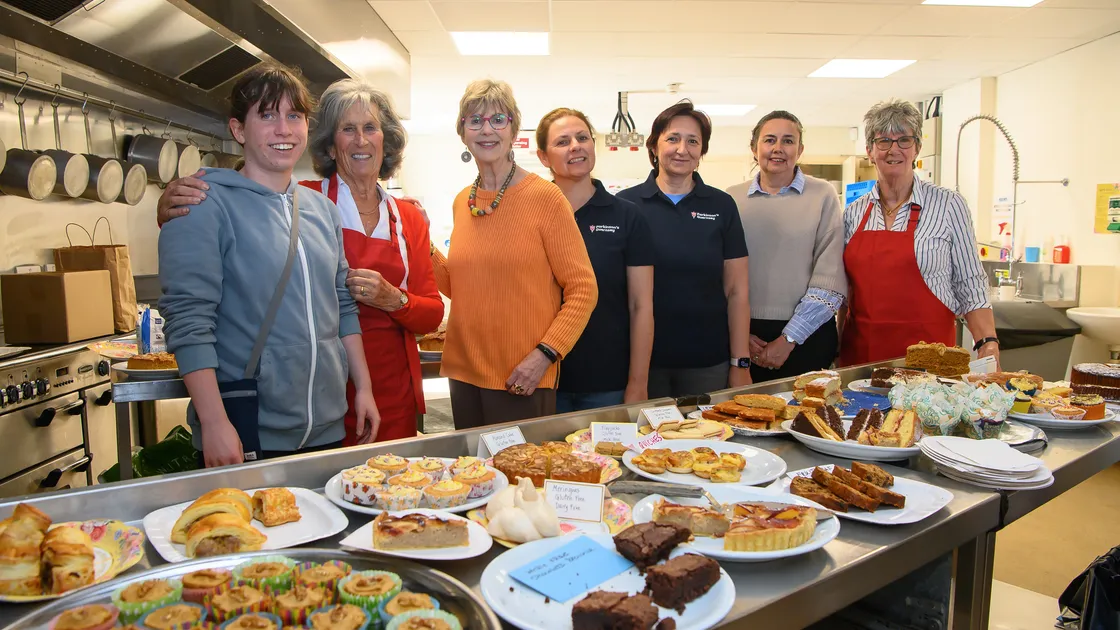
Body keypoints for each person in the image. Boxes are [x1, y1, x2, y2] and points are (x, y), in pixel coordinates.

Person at [157, 80, 443, 445]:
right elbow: (208, 233)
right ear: (329, 142)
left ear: (385, 139)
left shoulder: (408, 218)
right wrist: (169, 205)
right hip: (300, 395)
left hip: (382, 391)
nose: (360, 141)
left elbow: (430, 313)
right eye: (347, 130)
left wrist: (394, 300)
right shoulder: (304, 199)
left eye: (370, 128)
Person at [430, 80, 597, 427]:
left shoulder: (545, 198)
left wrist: (545, 355)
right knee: (473, 478)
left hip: (522, 376)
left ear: (514, 129)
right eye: (474, 121)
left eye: (498, 119)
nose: (486, 129)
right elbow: (460, 285)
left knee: (520, 480)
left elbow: (583, 289)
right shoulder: (464, 201)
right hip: (464, 373)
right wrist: (421, 242)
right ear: (462, 133)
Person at [840, 98, 999, 368]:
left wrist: (987, 343)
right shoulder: (853, 213)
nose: (894, 149)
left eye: (904, 140)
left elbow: (970, 284)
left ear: (917, 149)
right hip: (861, 362)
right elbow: (844, 294)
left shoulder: (949, 205)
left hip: (931, 362)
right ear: (869, 150)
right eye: (883, 141)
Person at [617, 101, 751, 398]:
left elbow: (737, 291)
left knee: (708, 441)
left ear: (702, 152)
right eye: (673, 138)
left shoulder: (721, 205)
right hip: (640, 364)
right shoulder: (627, 206)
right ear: (653, 146)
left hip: (707, 363)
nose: (683, 149)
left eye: (693, 141)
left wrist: (740, 363)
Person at [535, 108, 654, 412]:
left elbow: (641, 306)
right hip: (540, 378)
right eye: (562, 142)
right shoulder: (530, 214)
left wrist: (638, 384)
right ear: (543, 157)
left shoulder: (627, 216)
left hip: (607, 382)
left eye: (582, 137)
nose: (575, 145)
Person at [726, 111, 847, 382]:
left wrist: (789, 339)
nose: (778, 148)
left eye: (788, 141)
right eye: (770, 140)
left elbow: (830, 280)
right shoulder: (730, 199)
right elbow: (718, 274)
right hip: (743, 338)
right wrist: (738, 334)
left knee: (805, 421)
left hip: (807, 336)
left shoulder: (823, 195)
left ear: (800, 150)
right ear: (754, 148)